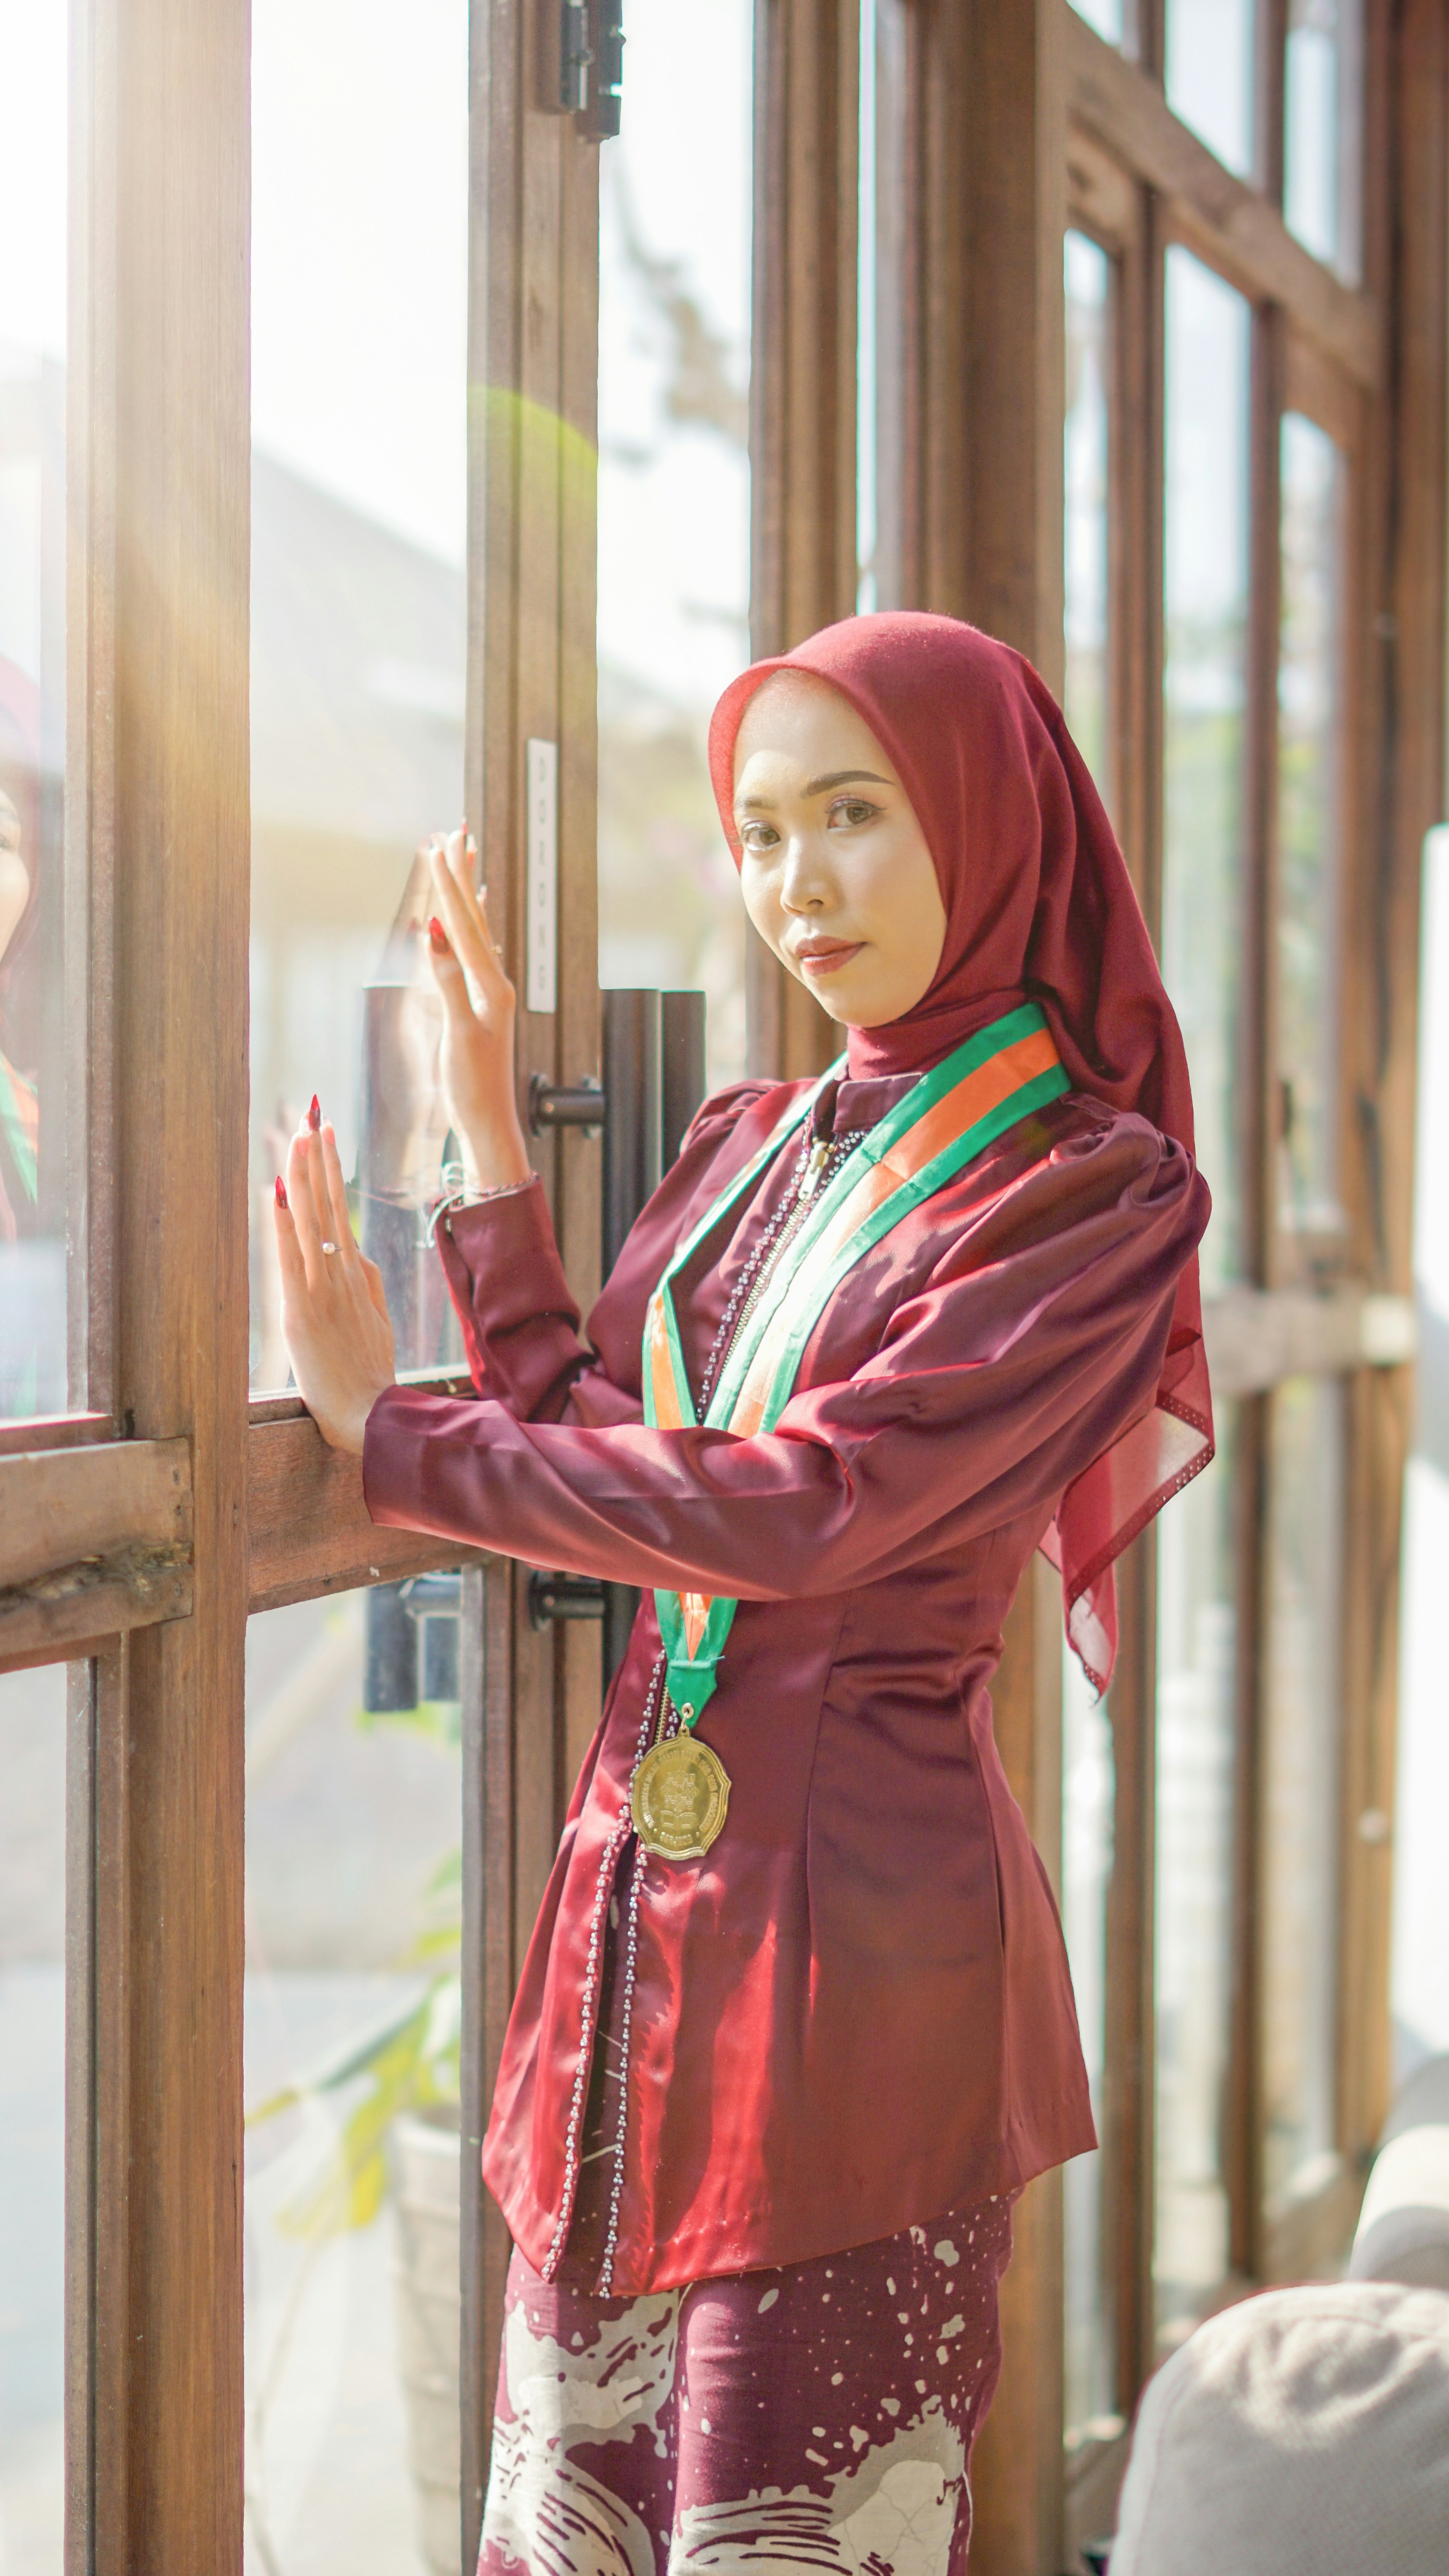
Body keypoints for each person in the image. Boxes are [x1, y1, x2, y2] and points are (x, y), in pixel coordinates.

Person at [275, 611, 1212, 2573]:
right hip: (629, 1954)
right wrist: (478, 1153)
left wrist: (393, 1439)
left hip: (864, 1995)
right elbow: (591, 1431)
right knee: (578, 2521)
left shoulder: (1088, 1193)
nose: (800, 884)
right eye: (760, 831)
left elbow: (806, 1509)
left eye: (854, 814)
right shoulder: (740, 1145)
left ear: (987, 811)